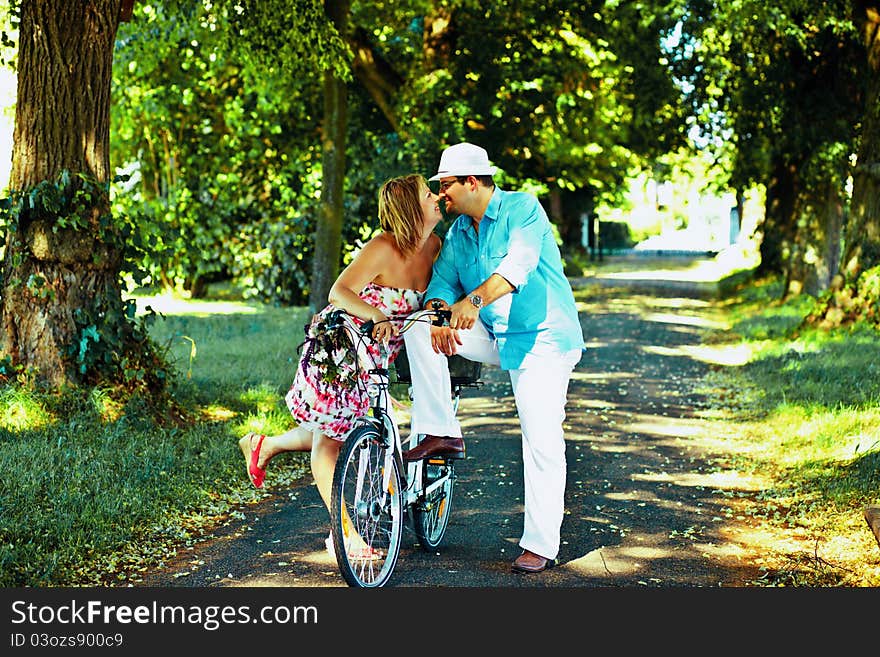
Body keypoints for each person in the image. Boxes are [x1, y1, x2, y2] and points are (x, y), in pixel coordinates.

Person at [401, 142, 584, 574]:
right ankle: (441, 430)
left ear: (471, 181)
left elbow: (519, 265)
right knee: (418, 326)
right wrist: (442, 315)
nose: (441, 194)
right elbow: (441, 286)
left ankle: (540, 544)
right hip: (496, 335)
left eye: (445, 185)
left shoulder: (523, 209)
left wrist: (473, 301)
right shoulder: (459, 234)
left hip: (543, 340)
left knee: (539, 438)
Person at [238, 173, 442, 558]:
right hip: (340, 350)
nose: (437, 198)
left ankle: (264, 445)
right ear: (410, 209)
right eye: (428, 194)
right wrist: (377, 314)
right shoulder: (382, 248)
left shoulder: (434, 246)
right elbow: (338, 291)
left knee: (337, 429)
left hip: (377, 353)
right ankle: (345, 536)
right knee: (330, 440)